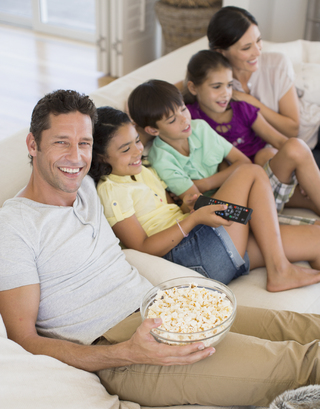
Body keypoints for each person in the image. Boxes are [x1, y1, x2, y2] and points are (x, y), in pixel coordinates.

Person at [1, 89, 320, 409]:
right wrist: (123, 353)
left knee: (293, 324)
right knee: (299, 363)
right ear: (32, 144)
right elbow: (23, 338)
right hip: (121, 346)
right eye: (61, 142)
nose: (75, 156)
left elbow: (141, 142)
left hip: (164, 306)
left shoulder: (86, 185)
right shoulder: (15, 225)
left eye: (83, 143)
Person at [107, 88, 320, 292]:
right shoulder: (111, 189)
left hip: (205, 241)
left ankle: (272, 248)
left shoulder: (143, 169)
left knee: (316, 239)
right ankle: (279, 270)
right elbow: (142, 249)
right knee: (251, 172)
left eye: (137, 141)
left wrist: (187, 207)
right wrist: (192, 219)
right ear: (101, 157)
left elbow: (175, 209)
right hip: (194, 254)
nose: (137, 150)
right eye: (126, 149)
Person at [185, 49, 320, 218]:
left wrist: (302, 175)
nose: (225, 93)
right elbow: (162, 102)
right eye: (216, 86)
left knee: (273, 152)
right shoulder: (188, 117)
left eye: (229, 85)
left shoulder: (242, 109)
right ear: (192, 87)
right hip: (236, 186)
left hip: (271, 176)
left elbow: (280, 141)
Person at [207, 5, 320, 168]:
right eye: (246, 47)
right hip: (286, 153)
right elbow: (185, 86)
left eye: (258, 40)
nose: (258, 52)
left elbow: (292, 129)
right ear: (221, 52)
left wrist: (250, 100)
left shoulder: (277, 64)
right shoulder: (217, 84)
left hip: (313, 130)